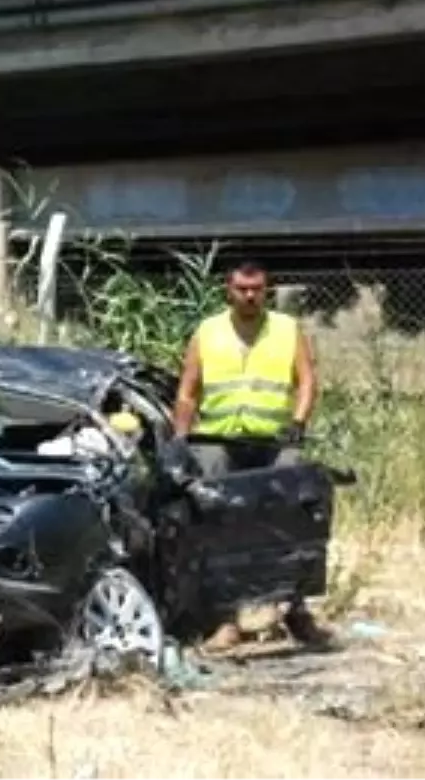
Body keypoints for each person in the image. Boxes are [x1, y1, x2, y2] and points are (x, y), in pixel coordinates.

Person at [170, 258, 331, 650]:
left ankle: (295, 610)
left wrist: (298, 420)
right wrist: (179, 440)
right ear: (229, 290)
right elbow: (188, 392)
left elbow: (307, 381)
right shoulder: (207, 332)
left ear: (266, 290)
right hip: (218, 441)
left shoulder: (287, 330)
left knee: (292, 519)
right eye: (242, 289)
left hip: (274, 442)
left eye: (256, 289)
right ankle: (225, 619)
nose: (249, 296)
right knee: (219, 523)